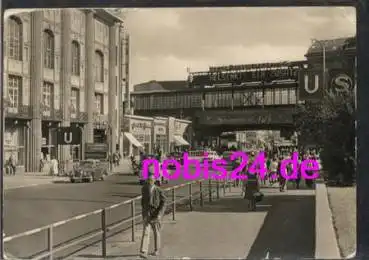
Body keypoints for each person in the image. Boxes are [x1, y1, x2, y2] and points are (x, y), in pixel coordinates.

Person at [140, 173, 167, 258]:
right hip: (147, 213)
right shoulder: (144, 189)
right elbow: (143, 200)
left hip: (155, 213)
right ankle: (144, 251)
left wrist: (160, 214)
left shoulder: (159, 190)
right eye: (149, 180)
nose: (150, 182)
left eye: (151, 180)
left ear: (154, 181)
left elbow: (164, 202)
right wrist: (144, 212)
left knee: (156, 232)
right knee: (146, 232)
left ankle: (156, 250)